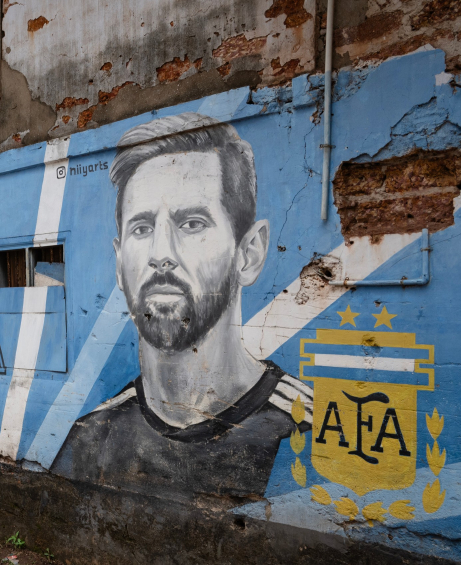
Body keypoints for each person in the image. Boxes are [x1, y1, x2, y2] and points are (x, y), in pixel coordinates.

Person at [50, 112, 313, 499]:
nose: (161, 255)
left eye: (191, 223)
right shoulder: (89, 439)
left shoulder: (309, 429)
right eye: (141, 228)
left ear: (249, 253)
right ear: (120, 264)